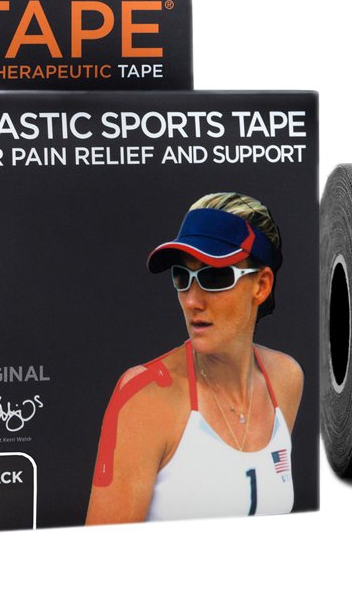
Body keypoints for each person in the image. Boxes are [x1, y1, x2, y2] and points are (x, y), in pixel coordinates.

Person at [86, 192, 303, 523]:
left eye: (214, 276)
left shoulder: (286, 379)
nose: (191, 301)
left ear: (261, 285)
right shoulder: (146, 398)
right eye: (182, 277)